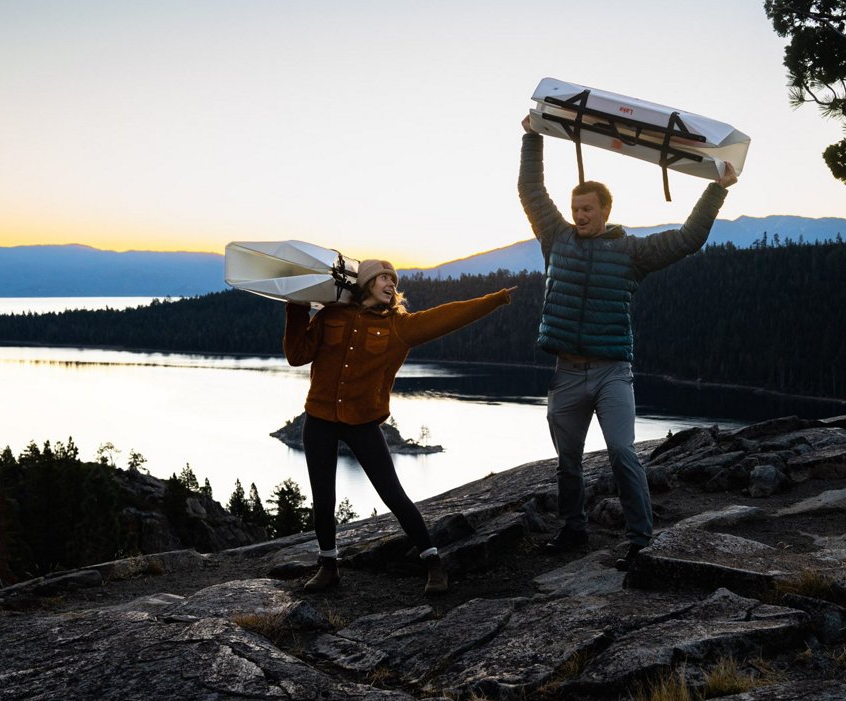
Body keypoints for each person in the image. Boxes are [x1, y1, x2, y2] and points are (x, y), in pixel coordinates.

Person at [518, 117, 738, 569]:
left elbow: (688, 239)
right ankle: (573, 527)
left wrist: (718, 188)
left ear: (605, 211)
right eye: (575, 207)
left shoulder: (631, 254)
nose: (579, 214)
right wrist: (533, 136)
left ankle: (641, 539)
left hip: (611, 372)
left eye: (588, 208)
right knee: (568, 461)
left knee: (621, 451)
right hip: (566, 371)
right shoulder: (555, 238)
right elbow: (531, 191)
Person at [284, 258, 514, 595]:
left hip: (362, 421)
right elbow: (296, 354)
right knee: (323, 497)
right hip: (318, 417)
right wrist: (297, 307)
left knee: (393, 494)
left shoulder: (399, 327)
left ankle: (433, 563)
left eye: (392, 280)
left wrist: (493, 299)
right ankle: (328, 566)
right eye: (382, 278)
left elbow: (447, 316)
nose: (390, 284)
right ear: (364, 284)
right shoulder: (331, 315)